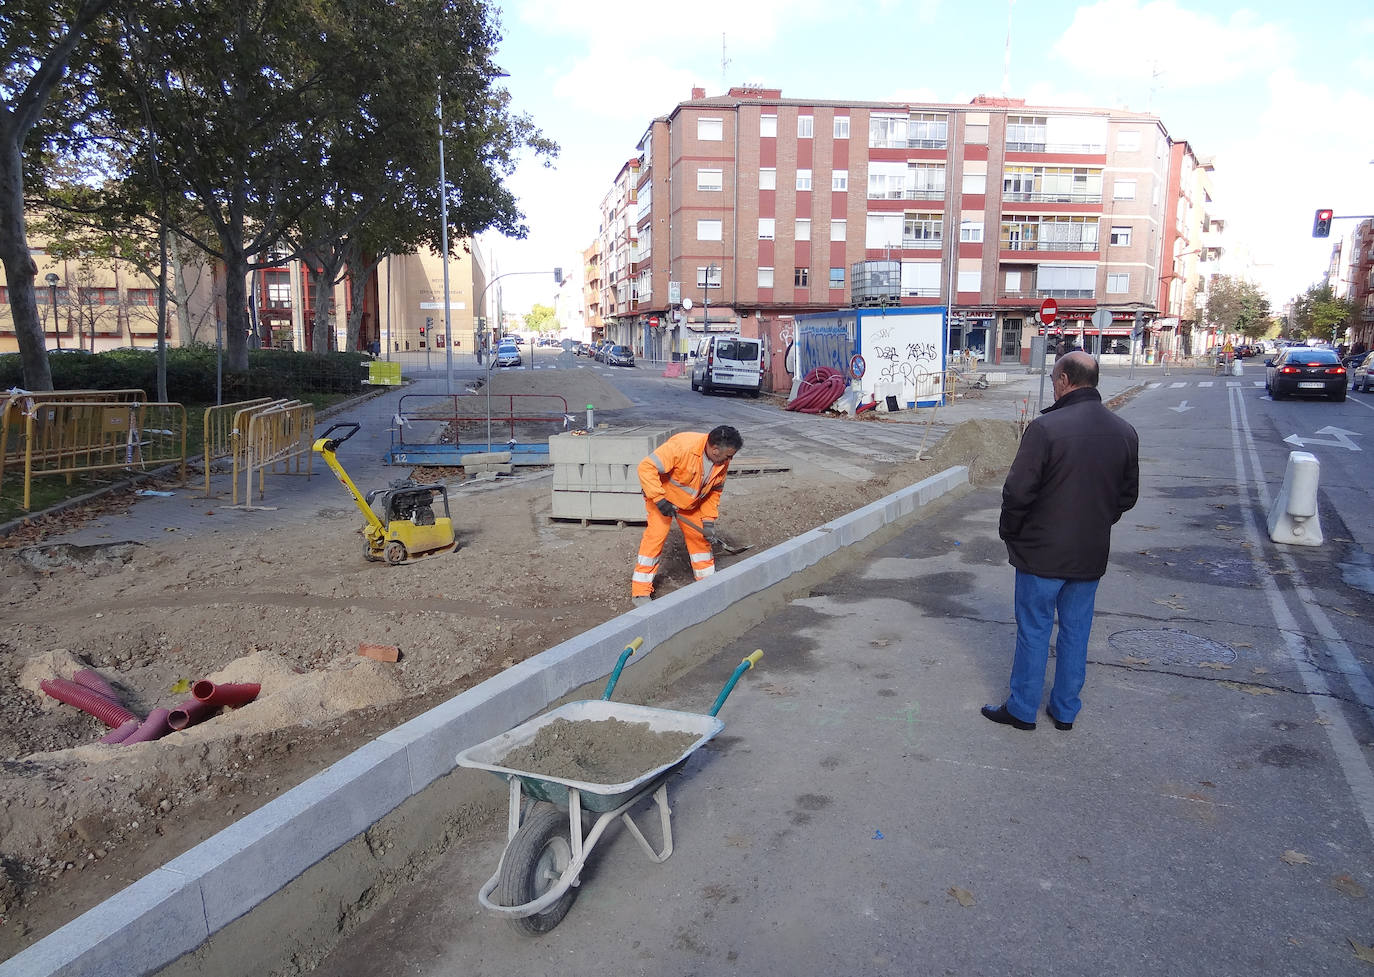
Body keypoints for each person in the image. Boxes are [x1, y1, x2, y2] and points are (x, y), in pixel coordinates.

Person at [982, 351, 1139, 732]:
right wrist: (1098, 521)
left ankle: (1022, 709)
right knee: (1076, 631)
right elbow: (1127, 497)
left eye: (1053, 378)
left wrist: (1010, 531)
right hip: (1089, 554)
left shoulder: (1045, 429)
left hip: (1041, 554)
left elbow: (1017, 492)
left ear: (1065, 380)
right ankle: (1065, 709)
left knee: (1034, 630)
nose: (1052, 385)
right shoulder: (1124, 431)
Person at [632, 425, 744, 604]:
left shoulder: (721, 461)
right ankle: (640, 591)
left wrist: (707, 522)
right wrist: (660, 499)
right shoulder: (682, 446)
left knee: (699, 538)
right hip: (663, 498)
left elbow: (714, 491)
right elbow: (646, 467)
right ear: (715, 450)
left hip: (691, 503)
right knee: (655, 539)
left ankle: (707, 583)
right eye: (729, 455)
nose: (730, 459)